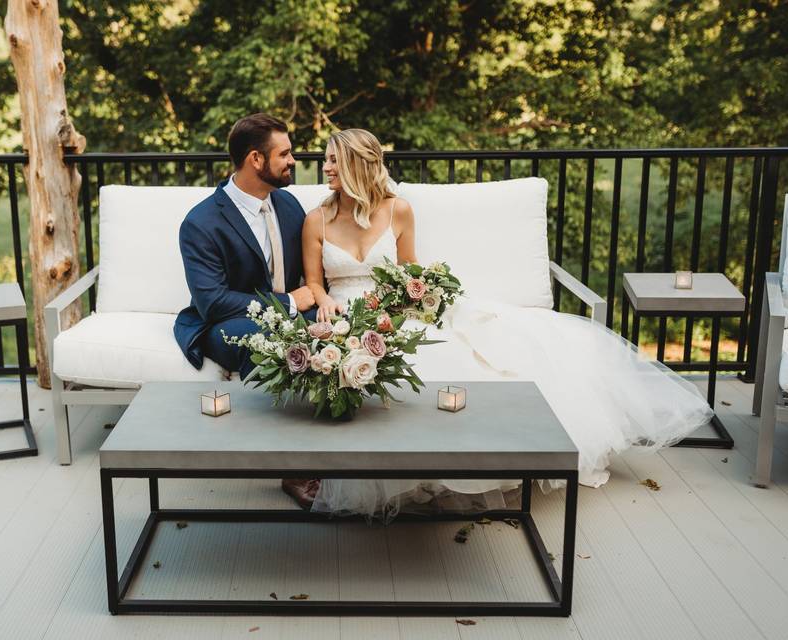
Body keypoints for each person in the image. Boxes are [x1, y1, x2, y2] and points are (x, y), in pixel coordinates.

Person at [301, 128, 714, 519]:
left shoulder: (398, 210)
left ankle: (462, 467)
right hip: (347, 318)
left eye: (334, 160)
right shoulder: (316, 220)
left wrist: (407, 301)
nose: (326, 168)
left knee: (460, 362)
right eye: (326, 160)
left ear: (358, 164)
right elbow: (315, 283)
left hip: (395, 311)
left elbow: (410, 273)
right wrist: (323, 304)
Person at [174, 113, 318, 506]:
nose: (293, 160)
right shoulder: (201, 223)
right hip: (224, 323)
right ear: (256, 159)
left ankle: (339, 444)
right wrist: (288, 303)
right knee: (268, 342)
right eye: (285, 153)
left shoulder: (288, 206)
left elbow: (309, 276)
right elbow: (213, 301)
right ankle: (293, 464)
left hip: (289, 316)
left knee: (329, 334)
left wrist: (312, 303)